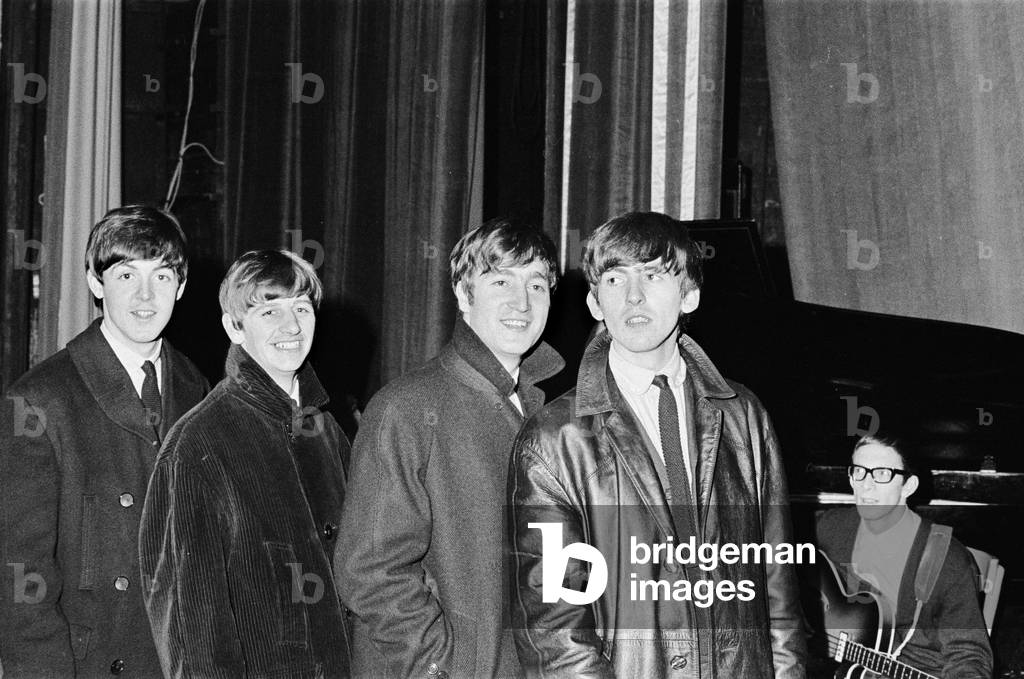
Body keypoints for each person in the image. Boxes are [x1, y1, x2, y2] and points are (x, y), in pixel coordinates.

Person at [508, 211, 806, 678]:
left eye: (653, 275)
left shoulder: (744, 416)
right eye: (614, 278)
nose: (633, 295)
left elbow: (778, 587)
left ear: (689, 295)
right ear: (594, 303)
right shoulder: (553, 439)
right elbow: (557, 630)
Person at [335, 217, 564, 678]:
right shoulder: (406, 407)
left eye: (536, 285)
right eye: (501, 281)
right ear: (463, 293)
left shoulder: (547, 414)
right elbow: (369, 572)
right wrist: (442, 667)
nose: (521, 302)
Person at [0, 205, 209, 677]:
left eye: (161, 276)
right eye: (126, 275)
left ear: (180, 287)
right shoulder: (40, 400)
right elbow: (21, 580)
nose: (145, 296)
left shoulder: (196, 387)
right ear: (96, 283)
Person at [138, 250, 351, 678]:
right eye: (269, 311)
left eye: (302, 308)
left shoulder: (328, 431)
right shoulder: (197, 444)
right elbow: (194, 638)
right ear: (234, 327)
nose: (291, 327)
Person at [816, 434, 992, 678]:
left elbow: (968, 654)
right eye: (859, 471)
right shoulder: (829, 528)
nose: (866, 485)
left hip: (916, 668)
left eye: (882, 474)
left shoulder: (946, 558)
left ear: (908, 486)